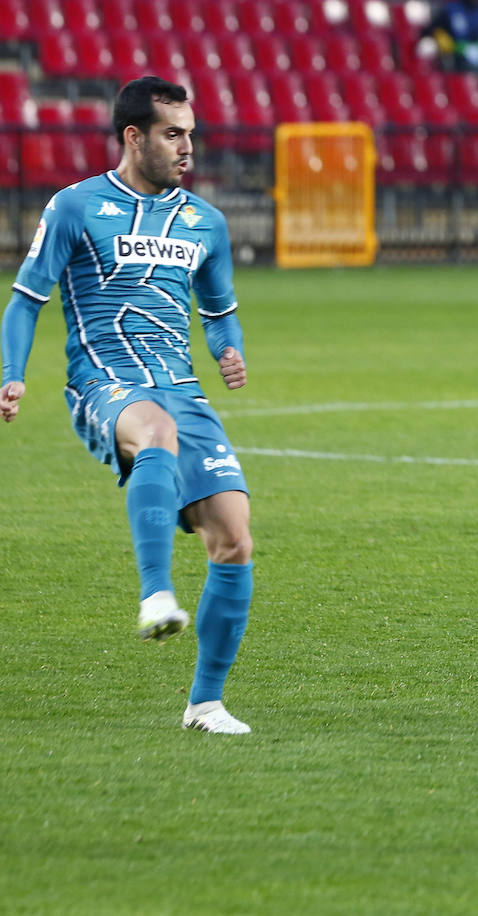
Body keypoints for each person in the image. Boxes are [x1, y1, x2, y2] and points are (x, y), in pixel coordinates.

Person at [1, 76, 255, 735]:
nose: (186, 147)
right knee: (156, 432)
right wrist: (12, 374)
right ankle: (155, 595)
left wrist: (230, 350)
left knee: (234, 538)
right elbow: (27, 300)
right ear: (134, 137)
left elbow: (220, 312)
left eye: (191, 133)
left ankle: (205, 704)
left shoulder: (205, 222)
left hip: (181, 387)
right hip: (103, 383)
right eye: (173, 133)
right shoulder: (76, 207)